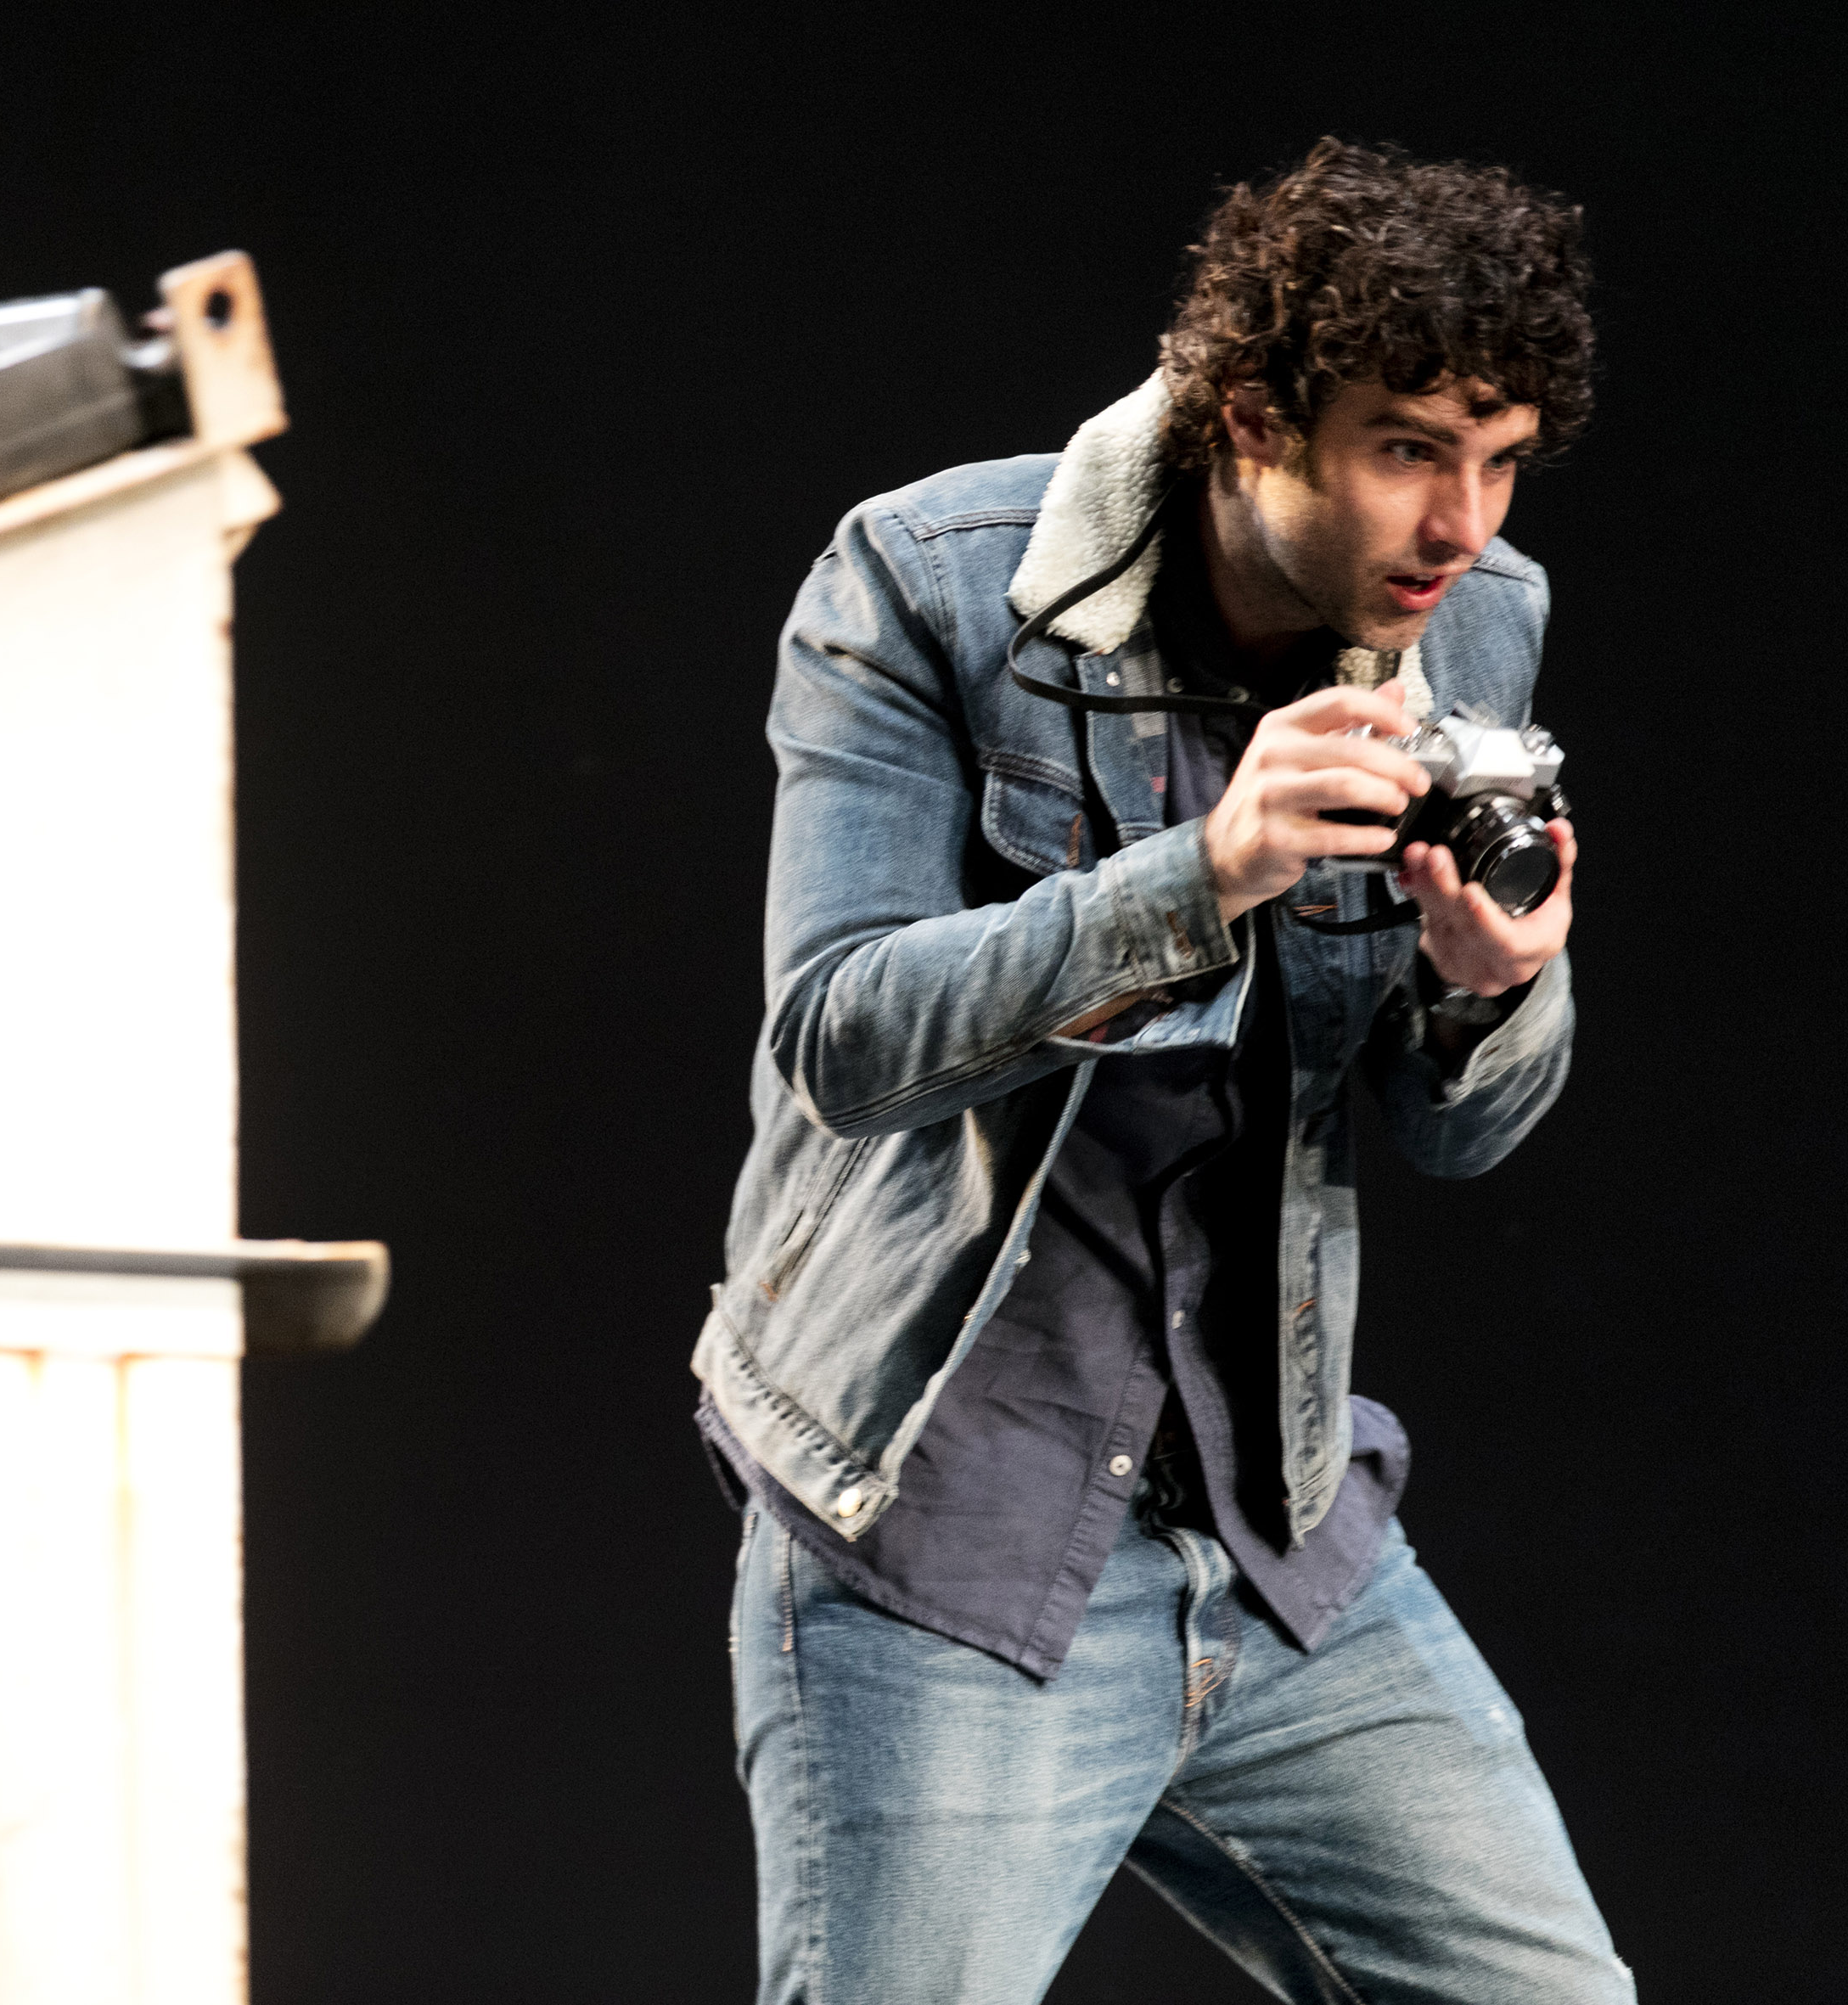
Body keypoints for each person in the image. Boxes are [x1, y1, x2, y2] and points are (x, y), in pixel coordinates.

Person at [693, 138, 1630, 2004]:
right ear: (1247, 418)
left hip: (1273, 1515)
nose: (1461, 522)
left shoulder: (1476, 618)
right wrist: (1201, 872)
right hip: (951, 1514)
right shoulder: (929, 583)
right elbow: (839, 1040)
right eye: (1407, 449)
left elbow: (1457, 1130)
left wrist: (1487, 992)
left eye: (1503, 455)